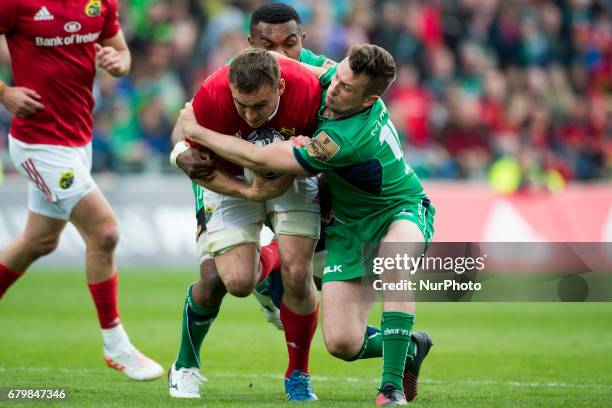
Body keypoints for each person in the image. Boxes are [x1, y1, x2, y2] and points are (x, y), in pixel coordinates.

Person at [179, 44, 435, 405]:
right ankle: (408, 346)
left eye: (346, 88)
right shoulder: (336, 81)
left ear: (369, 99)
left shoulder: (345, 137)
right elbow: (283, 61)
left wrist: (197, 132)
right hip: (348, 226)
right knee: (343, 343)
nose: (334, 88)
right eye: (339, 76)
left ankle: (390, 389)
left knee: (393, 259)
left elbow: (258, 156)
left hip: (399, 208)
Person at [167, 3, 333, 401]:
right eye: (267, 42)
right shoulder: (225, 83)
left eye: (288, 43)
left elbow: (350, 125)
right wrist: (181, 156)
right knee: (227, 281)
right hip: (230, 177)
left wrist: (318, 169)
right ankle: (185, 364)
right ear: (249, 44)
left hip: (293, 172)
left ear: (301, 40)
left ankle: (298, 374)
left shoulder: (319, 80)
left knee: (304, 275)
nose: (278, 51)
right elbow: (185, 133)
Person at [0, 0, 163, 380]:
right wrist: (4, 92)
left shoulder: (99, 4)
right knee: (104, 232)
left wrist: (117, 63)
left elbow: (121, 55)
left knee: (39, 241)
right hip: (38, 143)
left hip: (78, 142)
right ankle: (116, 345)